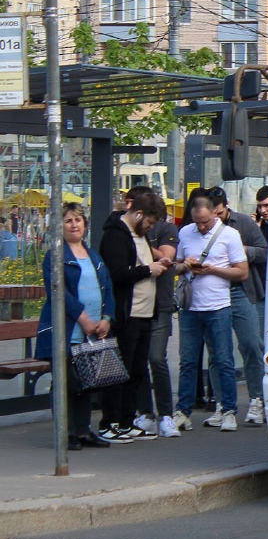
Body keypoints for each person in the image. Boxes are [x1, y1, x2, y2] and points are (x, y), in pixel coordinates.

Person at [35, 204, 116, 450]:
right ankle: (66, 432)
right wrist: (84, 319)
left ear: (84, 224)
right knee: (66, 382)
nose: (74, 225)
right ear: (61, 226)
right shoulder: (55, 256)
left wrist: (106, 318)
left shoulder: (94, 256)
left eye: (78, 220)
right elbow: (59, 293)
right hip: (67, 331)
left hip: (92, 332)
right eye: (68, 220)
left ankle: (83, 430)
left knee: (85, 383)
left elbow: (108, 289)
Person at [98, 186, 169, 441]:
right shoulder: (116, 235)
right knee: (119, 370)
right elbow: (117, 273)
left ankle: (127, 421)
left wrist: (159, 265)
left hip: (143, 313)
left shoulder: (140, 236)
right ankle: (110, 422)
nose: (151, 227)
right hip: (125, 314)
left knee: (136, 371)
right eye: (150, 222)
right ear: (138, 214)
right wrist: (149, 270)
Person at [173, 197, 248, 433]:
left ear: (215, 214)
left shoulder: (229, 235)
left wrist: (212, 269)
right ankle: (183, 411)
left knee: (224, 360)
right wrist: (185, 265)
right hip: (190, 308)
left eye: (205, 221)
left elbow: (242, 273)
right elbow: (175, 265)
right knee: (187, 361)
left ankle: (228, 410)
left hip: (218, 306)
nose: (201, 227)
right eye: (197, 222)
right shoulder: (185, 232)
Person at [207, 187, 268, 426]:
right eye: (212, 214)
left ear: (226, 207)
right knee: (216, 352)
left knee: (252, 344)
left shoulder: (243, 222)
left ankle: (257, 400)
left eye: (219, 213)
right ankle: (222, 405)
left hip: (241, 291)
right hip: (213, 292)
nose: (215, 218)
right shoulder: (201, 226)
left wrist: (244, 251)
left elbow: (264, 251)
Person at [138, 203, 181, 437]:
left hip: (160, 304)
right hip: (136, 306)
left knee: (156, 358)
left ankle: (166, 414)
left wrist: (142, 245)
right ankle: (145, 414)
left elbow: (167, 257)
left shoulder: (165, 230)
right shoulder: (129, 233)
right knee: (139, 362)